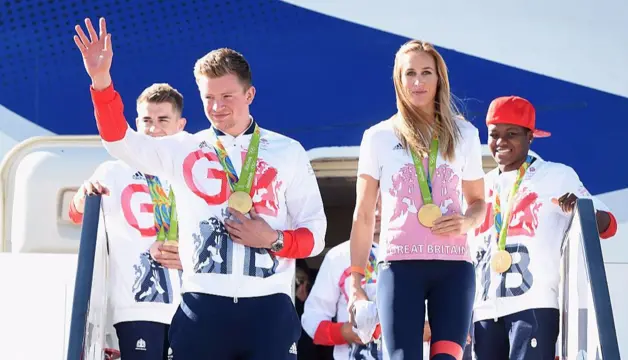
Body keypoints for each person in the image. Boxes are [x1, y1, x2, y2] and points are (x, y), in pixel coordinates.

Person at [73, 17, 327, 360]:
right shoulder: (184, 147)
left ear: (249, 94)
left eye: (227, 96)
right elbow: (119, 141)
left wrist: (273, 240)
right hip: (201, 308)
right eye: (208, 98)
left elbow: (315, 233)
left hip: (269, 308)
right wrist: (101, 82)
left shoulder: (288, 151)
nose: (218, 107)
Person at [348, 39, 487, 360]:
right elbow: (364, 215)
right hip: (399, 268)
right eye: (410, 73)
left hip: (454, 269)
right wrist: (356, 284)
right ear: (398, 80)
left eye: (427, 72)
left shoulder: (465, 135)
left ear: (440, 78)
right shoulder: (378, 137)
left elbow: (479, 203)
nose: (418, 81)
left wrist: (467, 220)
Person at [471, 95, 618, 360]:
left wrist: (580, 210)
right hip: (483, 311)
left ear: (530, 137)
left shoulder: (556, 175)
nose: (501, 142)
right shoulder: (480, 187)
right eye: (494, 135)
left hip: (533, 305)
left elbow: (608, 224)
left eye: (512, 134)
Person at [68, 83, 186, 359]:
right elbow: (76, 214)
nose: (153, 128)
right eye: (146, 120)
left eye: (162, 120)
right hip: (137, 306)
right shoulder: (113, 171)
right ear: (136, 123)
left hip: (192, 306)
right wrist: (83, 196)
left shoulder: (190, 172)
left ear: (180, 125)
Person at [302, 196, 433, 360]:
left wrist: (432, 330)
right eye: (371, 204)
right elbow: (312, 318)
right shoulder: (339, 256)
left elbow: (451, 318)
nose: (376, 212)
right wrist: (345, 332)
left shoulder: (426, 254)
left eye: (383, 203)